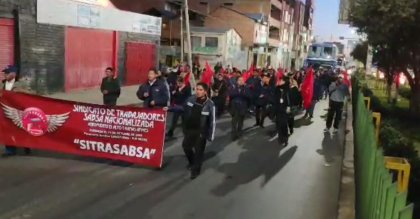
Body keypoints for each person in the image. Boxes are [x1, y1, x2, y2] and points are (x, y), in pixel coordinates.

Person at [182, 82, 216, 179]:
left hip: (201, 132)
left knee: (198, 152)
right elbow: (182, 109)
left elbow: (212, 121)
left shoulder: (210, 104)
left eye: (200, 90)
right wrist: (169, 108)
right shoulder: (190, 99)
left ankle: (195, 170)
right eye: (197, 89)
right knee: (186, 147)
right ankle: (192, 162)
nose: (198, 91)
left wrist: (211, 135)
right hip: (189, 129)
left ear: (205, 92)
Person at [0, 65, 32, 156]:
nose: (5, 74)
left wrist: (22, 90)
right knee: (7, 130)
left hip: (19, 111)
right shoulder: (2, 84)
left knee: (21, 129)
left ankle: (26, 145)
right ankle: (10, 150)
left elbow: (33, 94)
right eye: (4, 72)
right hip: (6, 111)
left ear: (14, 74)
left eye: (7, 72)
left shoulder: (21, 84)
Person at [273, 76, 291, 147]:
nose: (279, 81)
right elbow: (274, 98)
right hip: (278, 109)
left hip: (284, 110)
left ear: (284, 82)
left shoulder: (288, 90)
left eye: (281, 80)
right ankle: (280, 138)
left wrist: (289, 106)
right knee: (278, 124)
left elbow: (289, 99)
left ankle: (285, 138)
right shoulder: (277, 89)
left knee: (283, 124)